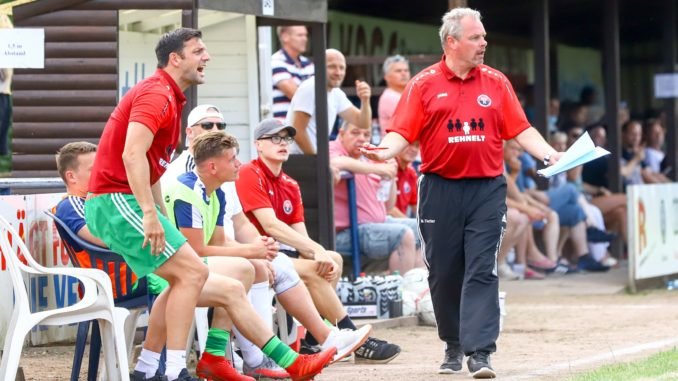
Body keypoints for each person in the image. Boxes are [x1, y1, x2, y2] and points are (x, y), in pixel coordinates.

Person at [84, 28, 335, 381]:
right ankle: (173, 372)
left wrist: (159, 216)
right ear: (176, 58)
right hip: (115, 199)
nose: (207, 57)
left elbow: (152, 166)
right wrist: (149, 213)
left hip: (124, 200)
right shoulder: (157, 94)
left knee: (194, 278)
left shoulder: (170, 97)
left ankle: (152, 370)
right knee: (194, 273)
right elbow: (131, 154)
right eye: (198, 51)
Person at [361, 8, 567, 379]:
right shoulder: (423, 84)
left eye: (484, 37)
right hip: (439, 189)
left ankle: (480, 353)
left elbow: (521, 129)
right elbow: (402, 133)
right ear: (451, 42)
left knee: (482, 268)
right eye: (476, 38)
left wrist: (550, 153)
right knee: (444, 271)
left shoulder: (495, 81)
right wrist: (383, 151)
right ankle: (453, 344)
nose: (484, 43)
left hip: (487, 188)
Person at [162, 106, 371, 379]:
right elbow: (205, 245)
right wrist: (256, 251)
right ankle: (279, 352)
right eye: (207, 125)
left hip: (217, 255)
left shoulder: (227, 183)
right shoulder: (199, 179)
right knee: (254, 269)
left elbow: (238, 227)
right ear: (189, 133)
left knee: (301, 262)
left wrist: (262, 250)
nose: (215, 130)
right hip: (178, 264)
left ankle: (313, 339)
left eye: (220, 124)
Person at [236, 118, 402, 364]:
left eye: (286, 139)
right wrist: (314, 251)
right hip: (259, 256)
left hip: (281, 256)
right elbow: (270, 225)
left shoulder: (289, 183)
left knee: (331, 259)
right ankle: (355, 339)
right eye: (274, 138)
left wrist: (317, 252)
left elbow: (300, 234)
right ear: (258, 145)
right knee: (317, 265)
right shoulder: (250, 172)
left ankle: (313, 341)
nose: (282, 144)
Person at [330, 121, 424, 274]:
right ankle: (400, 291)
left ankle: (417, 284)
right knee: (404, 235)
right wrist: (379, 169)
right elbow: (335, 162)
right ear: (341, 134)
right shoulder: (335, 148)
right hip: (345, 233)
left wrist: (390, 174)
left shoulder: (366, 159)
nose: (361, 138)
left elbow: (387, 206)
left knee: (424, 228)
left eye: (366, 134)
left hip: (372, 225)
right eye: (355, 133)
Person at [54, 141, 137, 296]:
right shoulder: (71, 205)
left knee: (187, 278)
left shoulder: (93, 201)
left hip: (130, 275)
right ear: (71, 177)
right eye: (94, 170)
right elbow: (103, 239)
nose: (101, 173)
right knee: (185, 279)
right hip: (119, 283)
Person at [285, 49, 371, 154]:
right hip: (300, 159)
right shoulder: (311, 87)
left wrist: (365, 100)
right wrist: (316, 161)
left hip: (313, 159)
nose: (338, 72)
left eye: (342, 68)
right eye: (332, 67)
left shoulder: (336, 93)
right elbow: (297, 130)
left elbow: (363, 123)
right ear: (319, 68)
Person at [271, 26, 314, 120]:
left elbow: (318, 92)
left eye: (306, 35)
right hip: (282, 129)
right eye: (300, 35)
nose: (305, 39)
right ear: (285, 36)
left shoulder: (307, 63)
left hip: (304, 125)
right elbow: (295, 94)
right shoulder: (276, 61)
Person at [378, 55, 411, 137]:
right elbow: (410, 125)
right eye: (398, 71)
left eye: (406, 70)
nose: (403, 74)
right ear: (387, 77)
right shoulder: (389, 97)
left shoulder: (409, 94)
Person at [390, 141, 420, 218]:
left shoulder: (411, 173)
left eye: (417, 146)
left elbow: (416, 205)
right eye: (409, 144)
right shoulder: (387, 166)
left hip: (402, 224)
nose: (414, 149)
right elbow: (387, 208)